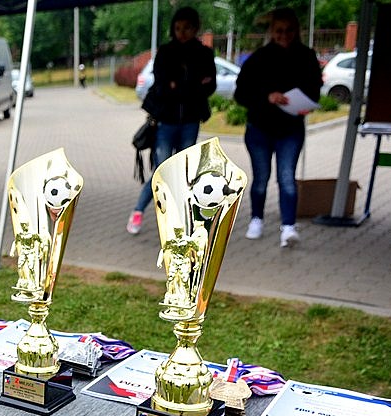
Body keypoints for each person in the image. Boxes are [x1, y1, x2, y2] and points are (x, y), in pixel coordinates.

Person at [234, 7, 322, 248]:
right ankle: (256, 219)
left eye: (289, 30)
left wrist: (307, 104)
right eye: (279, 30)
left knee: (287, 177)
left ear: (297, 31)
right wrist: (267, 97)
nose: (284, 35)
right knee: (261, 177)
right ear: (272, 31)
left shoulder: (306, 56)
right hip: (260, 127)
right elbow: (241, 93)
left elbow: (314, 90)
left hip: (290, 129)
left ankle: (288, 227)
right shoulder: (259, 58)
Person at [126, 7, 216, 235]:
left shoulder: (203, 53)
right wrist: (191, 86)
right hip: (165, 122)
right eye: (178, 28)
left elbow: (209, 85)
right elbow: (163, 85)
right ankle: (138, 211)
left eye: (187, 28)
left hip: (190, 121)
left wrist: (181, 86)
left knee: (185, 172)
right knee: (163, 171)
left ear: (195, 28)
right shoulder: (166, 52)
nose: (182, 32)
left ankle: (180, 219)